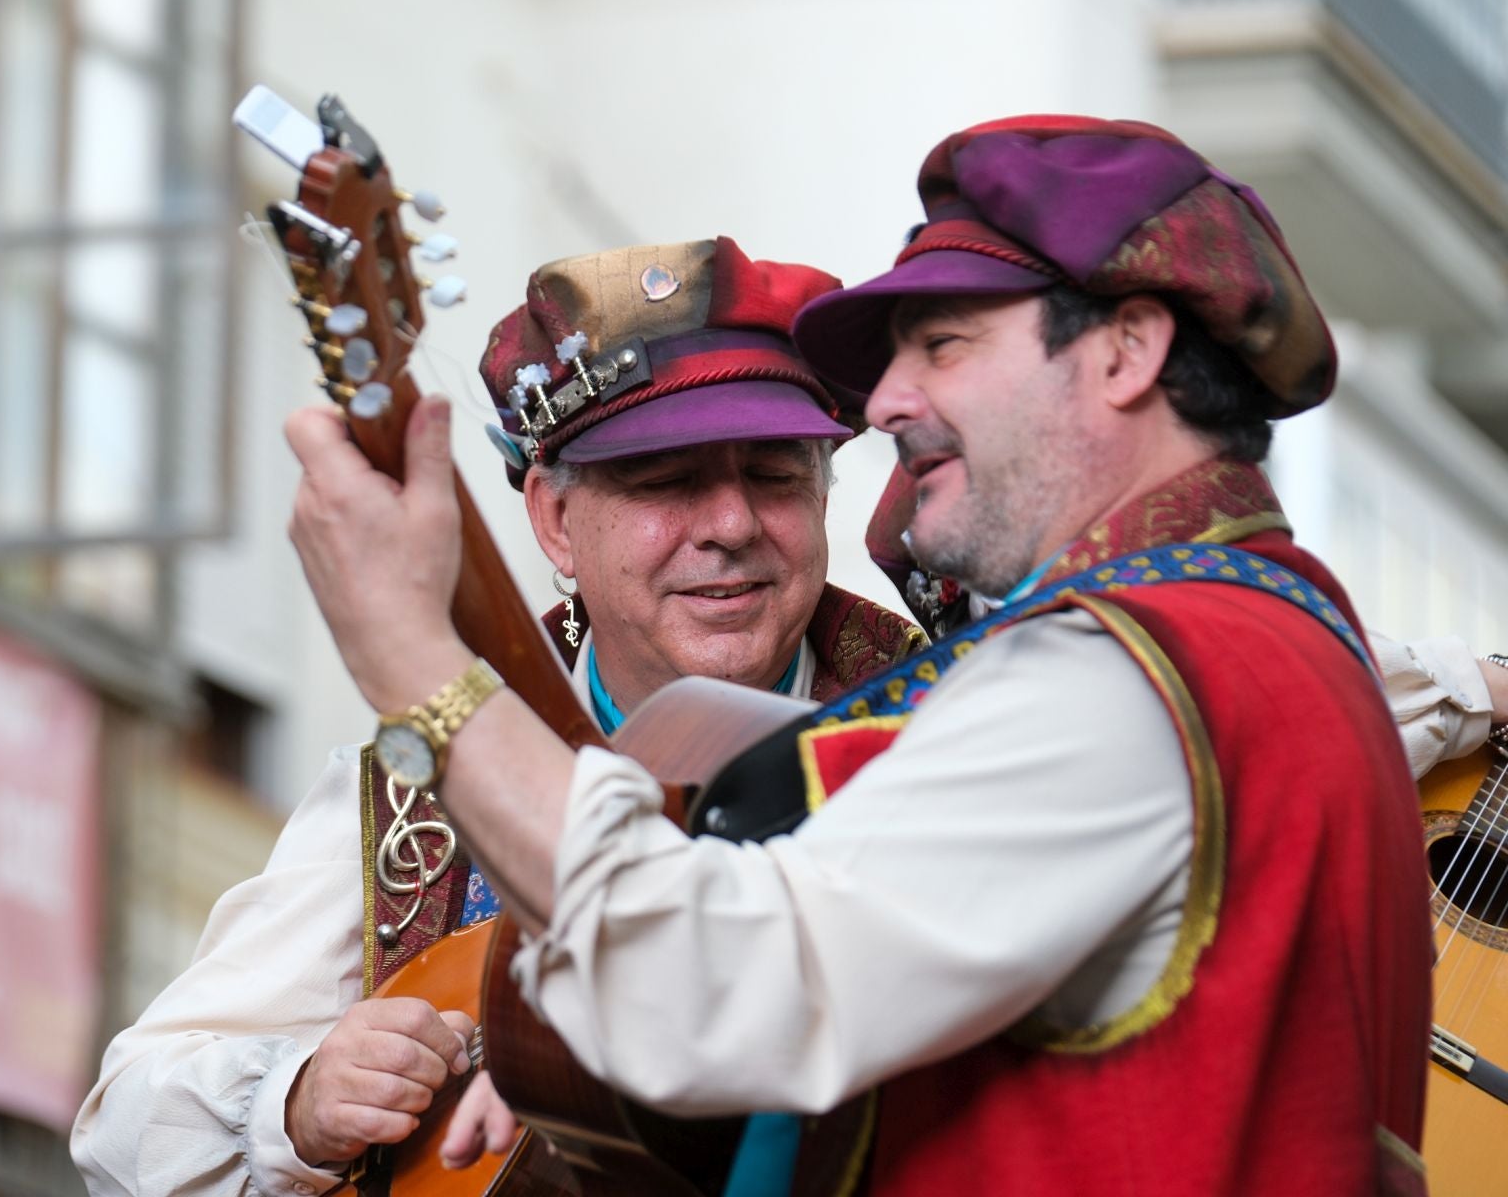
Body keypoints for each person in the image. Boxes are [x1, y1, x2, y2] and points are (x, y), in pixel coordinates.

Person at [278, 117, 1450, 1195]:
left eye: (943, 343)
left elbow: (715, 991)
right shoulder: (1263, 633)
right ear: (551, 517)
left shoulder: (1121, 672)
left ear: (1126, 350)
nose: (885, 400)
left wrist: (416, 665)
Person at [71, 237, 925, 1197]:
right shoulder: (413, 776)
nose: (730, 525)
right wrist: (301, 1104)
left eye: (774, 475)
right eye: (667, 482)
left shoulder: (938, 721)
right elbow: (121, 1127)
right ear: (556, 521)